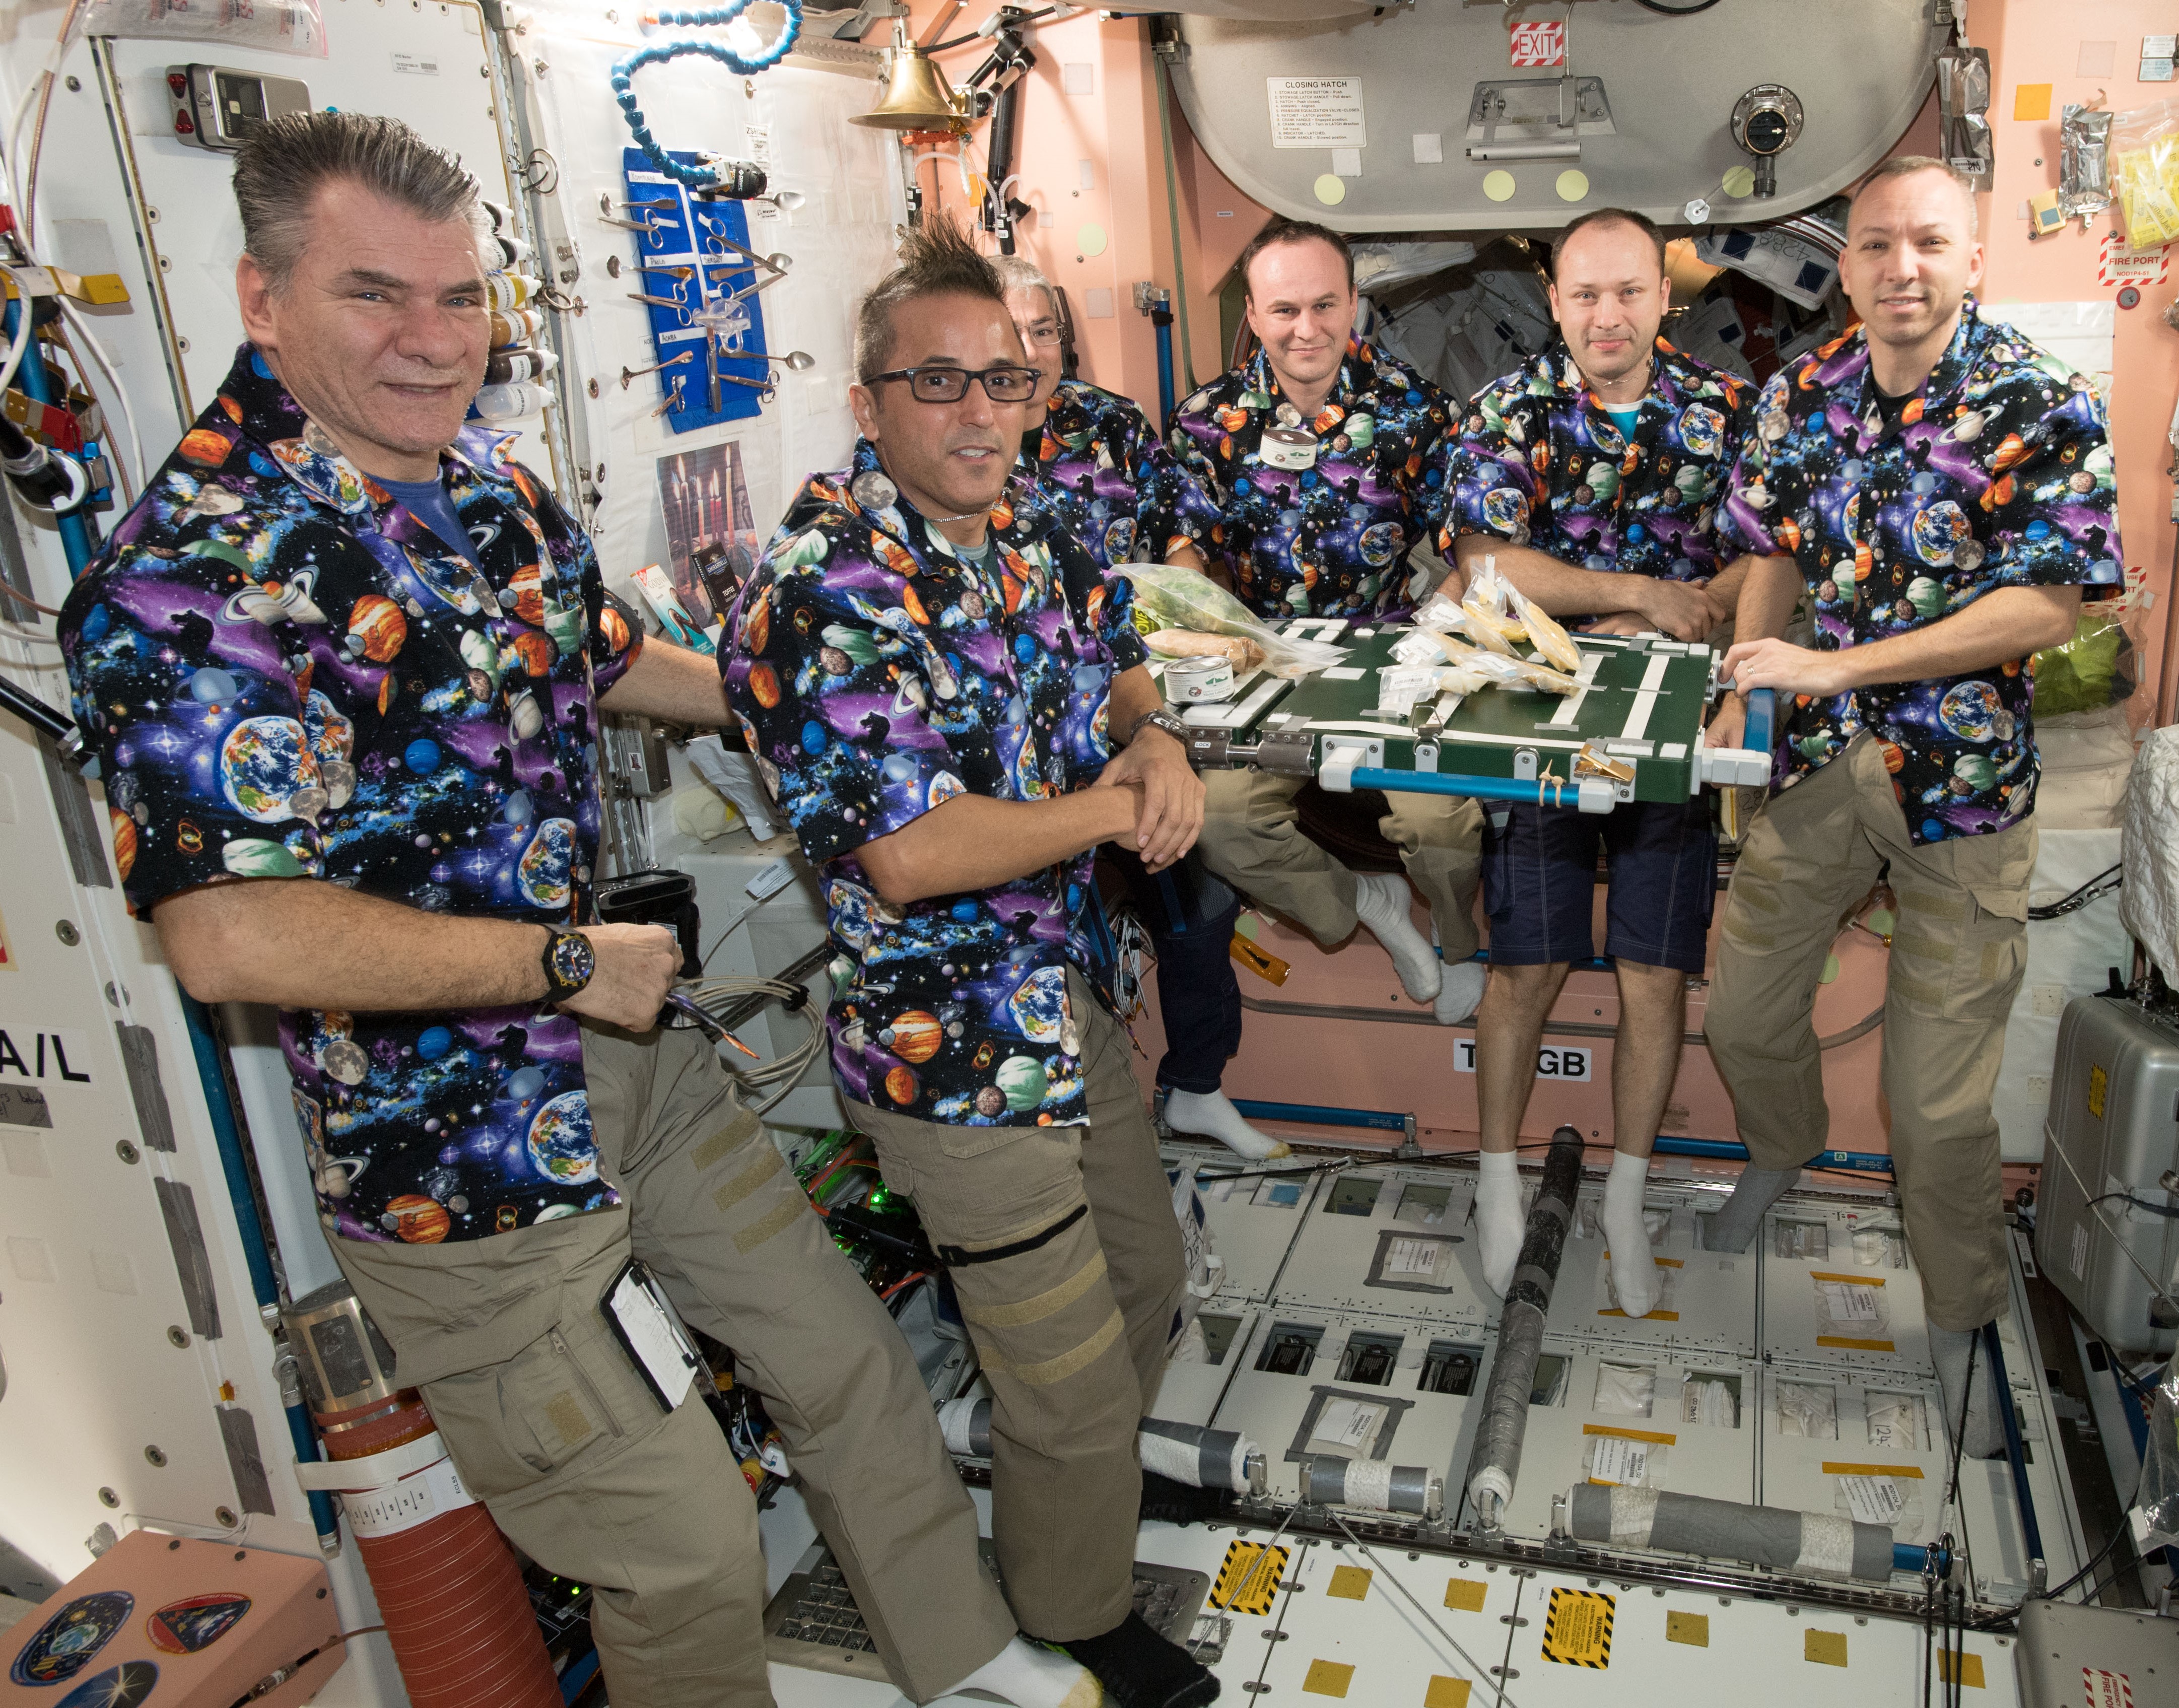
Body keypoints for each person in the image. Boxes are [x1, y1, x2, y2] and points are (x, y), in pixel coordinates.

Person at [55, 113, 1099, 1708]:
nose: (430, 341)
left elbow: (609, 656)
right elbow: (227, 933)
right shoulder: (186, 571)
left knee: (845, 1367)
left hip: (636, 1073)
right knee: (676, 1543)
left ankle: (959, 1661)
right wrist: (560, 962)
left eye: (459, 298)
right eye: (374, 296)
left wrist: (808, 716)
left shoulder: (484, 491)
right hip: (456, 1152)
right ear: (261, 302)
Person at [722, 217, 1216, 1708]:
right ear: (865, 402)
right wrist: (1122, 804)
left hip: (1059, 990)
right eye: (935, 385)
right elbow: (910, 851)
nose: (979, 415)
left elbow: (1117, 655)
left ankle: (1080, 1491)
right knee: (1060, 1362)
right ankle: (1072, 1601)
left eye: (1002, 383)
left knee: (1142, 1277)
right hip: (945, 1046)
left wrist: (1157, 732)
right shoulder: (822, 590)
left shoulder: (1041, 530)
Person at [1703, 157, 2120, 1454]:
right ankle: (1781, 1147)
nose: (1900, 267)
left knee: (1938, 1108)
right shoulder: (1805, 390)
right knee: (1746, 1007)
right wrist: (1747, 692)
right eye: (1876, 244)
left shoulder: (2037, 402)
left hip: (1962, 788)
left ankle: (1957, 1311)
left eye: (1929, 242)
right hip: (1822, 763)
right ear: (1850, 264)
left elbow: (2048, 606)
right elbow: (1770, 544)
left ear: (1972, 257)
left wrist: (1840, 664)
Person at [1444, 209, 1753, 1317]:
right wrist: (1641, 597)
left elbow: (1761, 563)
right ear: (1556, 303)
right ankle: (1494, 1180)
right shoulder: (1507, 411)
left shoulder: (1728, 414)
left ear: (1665, 297)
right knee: (1524, 966)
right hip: (1540, 722)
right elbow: (1488, 569)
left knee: (1654, 973)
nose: (1606, 316)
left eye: (1628, 292)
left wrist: (1700, 609)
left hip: (1672, 733)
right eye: (1584, 296)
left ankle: (1625, 1196)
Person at [993, 252, 1282, 1164]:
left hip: (1131, 707)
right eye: (1009, 338)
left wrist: (1194, 622)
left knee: (1197, 902)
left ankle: (1194, 1086)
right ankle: (1080, 1131)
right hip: (1014, 750)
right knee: (1046, 946)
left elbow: (1177, 542)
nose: (1030, 354)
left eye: (1044, 332)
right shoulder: (964, 449)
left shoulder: (1110, 425)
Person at [1170, 220, 1485, 1025]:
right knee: (1225, 823)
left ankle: (1456, 936)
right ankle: (1361, 908)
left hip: (1389, 653)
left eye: (1323, 305)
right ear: (1252, 310)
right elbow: (1187, 554)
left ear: (1353, 302)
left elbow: (1473, 549)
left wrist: (1430, 634)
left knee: (1439, 824)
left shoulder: (1416, 413)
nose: (1304, 330)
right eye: (1282, 310)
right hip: (1262, 665)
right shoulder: (1207, 422)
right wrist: (1206, 627)